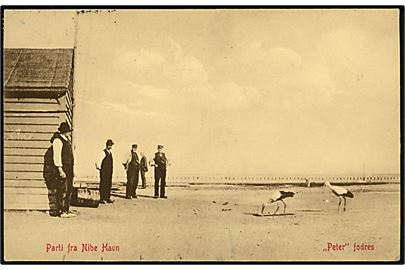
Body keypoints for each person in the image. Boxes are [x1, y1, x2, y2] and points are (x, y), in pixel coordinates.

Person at [46, 122, 76, 218]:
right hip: (63, 168)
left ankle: (66, 210)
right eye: (68, 131)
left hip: (69, 169)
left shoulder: (66, 140)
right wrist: (60, 169)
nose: (69, 133)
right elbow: (57, 156)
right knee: (62, 189)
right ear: (65, 131)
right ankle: (61, 211)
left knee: (68, 190)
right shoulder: (58, 141)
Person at [96, 139, 114, 204]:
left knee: (108, 184)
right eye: (110, 145)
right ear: (107, 145)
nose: (110, 146)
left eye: (111, 145)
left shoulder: (110, 153)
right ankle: (102, 198)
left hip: (109, 171)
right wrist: (100, 169)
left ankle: (107, 197)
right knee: (103, 184)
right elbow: (98, 162)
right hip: (104, 171)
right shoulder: (103, 152)